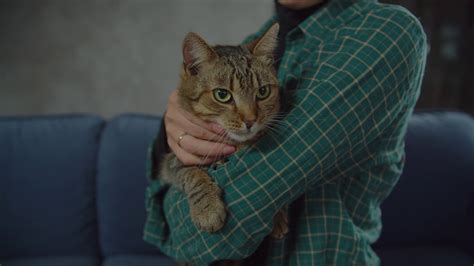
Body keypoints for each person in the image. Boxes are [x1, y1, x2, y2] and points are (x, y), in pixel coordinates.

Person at [144, 0, 428, 265]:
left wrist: (195, 178)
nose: (250, 117)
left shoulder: (384, 32)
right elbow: (166, 214)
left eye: (263, 94)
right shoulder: (253, 46)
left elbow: (203, 233)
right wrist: (170, 128)